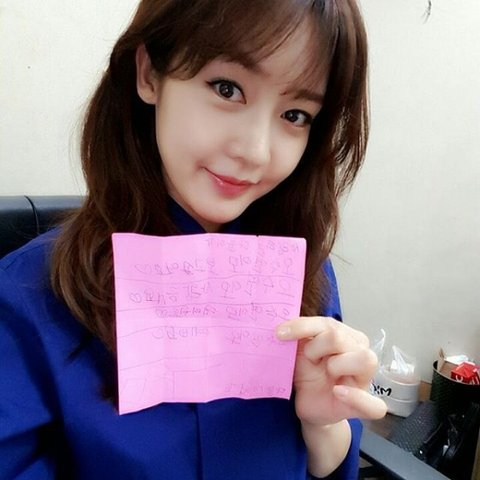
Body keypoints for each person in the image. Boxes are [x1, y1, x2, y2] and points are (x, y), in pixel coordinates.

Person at [0, 0, 387, 478]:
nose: (255, 152)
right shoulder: (28, 297)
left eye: (295, 114)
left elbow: (326, 467)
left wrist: (323, 424)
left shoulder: (306, 272)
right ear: (149, 74)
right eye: (227, 89)